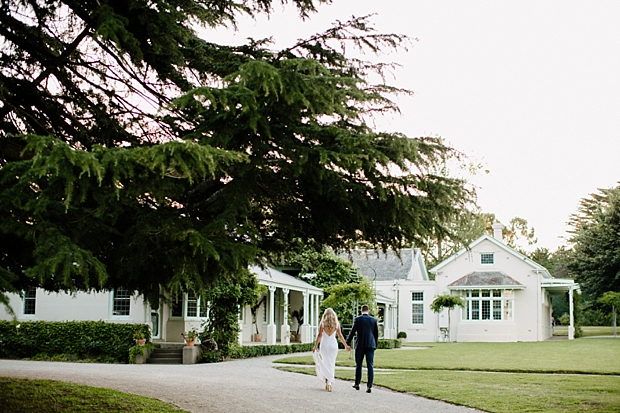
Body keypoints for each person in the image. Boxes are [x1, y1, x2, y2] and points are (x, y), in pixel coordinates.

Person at [312, 308, 351, 392]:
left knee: (325, 362)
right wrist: (345, 345)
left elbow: (319, 335)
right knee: (331, 363)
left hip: (324, 344)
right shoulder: (336, 324)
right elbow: (340, 336)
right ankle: (329, 382)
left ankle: (327, 380)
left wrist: (315, 346)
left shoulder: (322, 324)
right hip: (333, 345)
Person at [346, 304, 378, 393]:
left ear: (361, 310)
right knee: (370, 365)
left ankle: (357, 383)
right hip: (370, 345)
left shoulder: (358, 319)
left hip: (360, 345)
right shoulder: (373, 320)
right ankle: (369, 386)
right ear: (368, 311)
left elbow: (352, 332)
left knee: (358, 364)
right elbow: (376, 334)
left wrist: (347, 343)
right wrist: (375, 345)